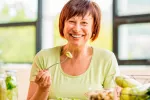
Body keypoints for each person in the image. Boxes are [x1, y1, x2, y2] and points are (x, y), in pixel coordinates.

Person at [27, 0, 120, 100]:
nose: (77, 29)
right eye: (71, 21)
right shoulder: (43, 58)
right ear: (63, 25)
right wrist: (43, 89)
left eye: (84, 23)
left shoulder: (106, 59)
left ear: (94, 27)